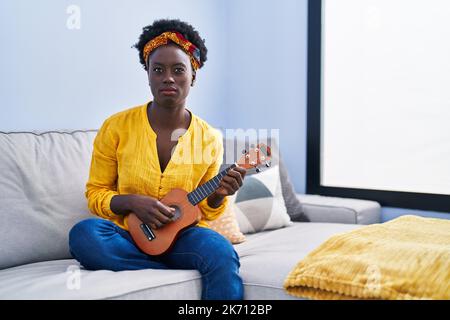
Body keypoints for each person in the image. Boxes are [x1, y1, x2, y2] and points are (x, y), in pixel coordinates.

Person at [69, 19, 246, 300]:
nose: (168, 78)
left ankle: (166, 262)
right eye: (158, 70)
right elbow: (95, 194)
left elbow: (206, 211)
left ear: (193, 76)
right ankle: (166, 267)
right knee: (84, 235)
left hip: (183, 238)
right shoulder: (116, 127)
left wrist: (218, 196)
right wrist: (131, 202)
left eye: (178, 70)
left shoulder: (210, 138)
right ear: (148, 75)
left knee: (221, 251)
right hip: (129, 236)